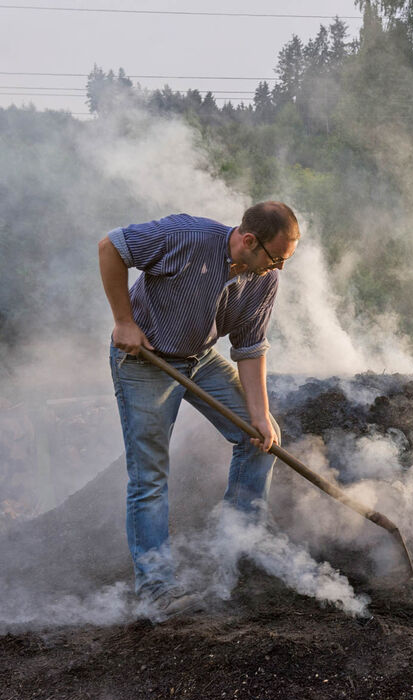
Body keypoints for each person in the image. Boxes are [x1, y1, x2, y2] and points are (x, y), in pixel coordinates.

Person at [98, 202, 299, 615]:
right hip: (145, 361)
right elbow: (111, 247)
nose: (279, 268)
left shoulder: (265, 278)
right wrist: (123, 320)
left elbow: (249, 346)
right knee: (150, 474)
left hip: (199, 359)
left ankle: (240, 549)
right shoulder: (185, 237)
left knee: (259, 437)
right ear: (248, 240)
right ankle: (156, 589)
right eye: (276, 257)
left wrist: (258, 416)